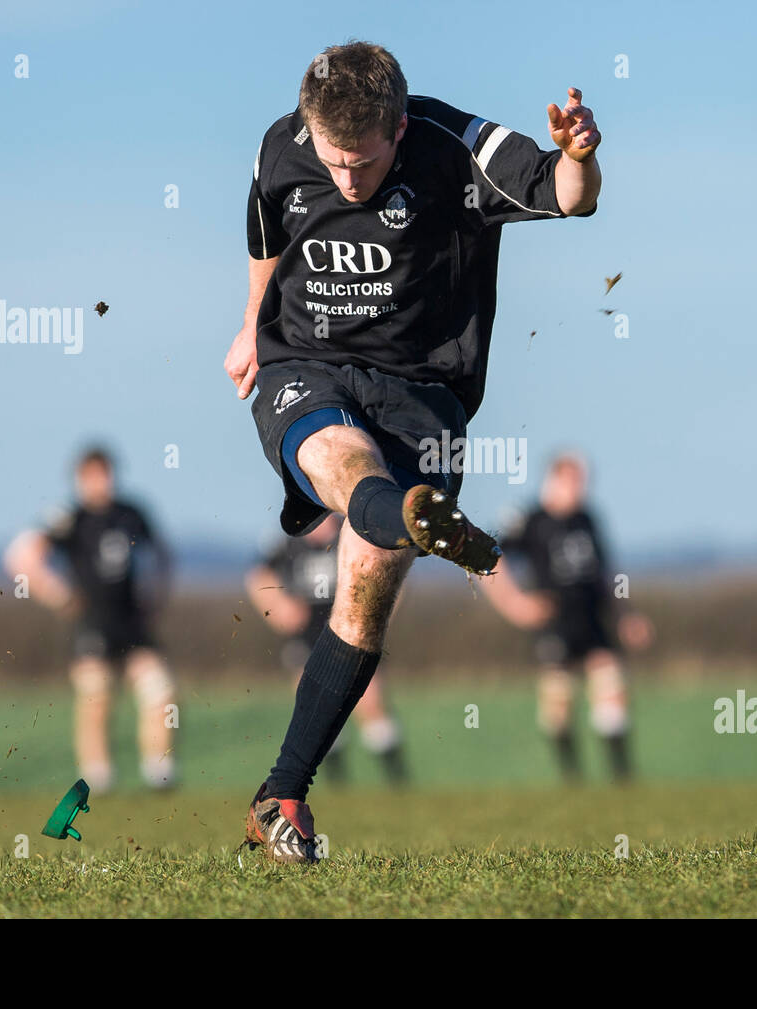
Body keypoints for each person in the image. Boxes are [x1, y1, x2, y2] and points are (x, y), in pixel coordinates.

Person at [224, 41, 602, 862]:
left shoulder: (459, 147)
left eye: (363, 163)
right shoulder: (278, 147)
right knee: (342, 460)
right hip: (305, 365)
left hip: (424, 394)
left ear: (399, 126)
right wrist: (252, 324)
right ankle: (402, 511)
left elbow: (570, 198)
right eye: (333, 161)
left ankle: (280, 791)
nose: (347, 180)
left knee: (362, 594)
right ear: (308, 130)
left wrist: (579, 154)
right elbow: (265, 229)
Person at [3, 446, 175, 791]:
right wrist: (55, 593)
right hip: (92, 623)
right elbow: (21, 555)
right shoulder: (69, 517)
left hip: (132, 622)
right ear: (80, 479)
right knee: (96, 696)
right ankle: (97, 778)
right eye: (95, 476)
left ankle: (161, 772)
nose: (103, 482)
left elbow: (162, 555)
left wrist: (156, 596)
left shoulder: (132, 513)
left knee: (161, 690)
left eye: (107, 474)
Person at [482, 452, 653, 782]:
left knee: (611, 684)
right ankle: (572, 779)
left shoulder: (588, 519)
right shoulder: (530, 520)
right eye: (575, 480)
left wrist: (627, 615)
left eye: (584, 481)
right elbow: (489, 557)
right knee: (558, 704)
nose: (581, 488)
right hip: (553, 620)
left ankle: (622, 777)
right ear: (554, 479)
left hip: (592, 615)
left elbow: (606, 574)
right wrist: (515, 603)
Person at [245, 514, 408, 785]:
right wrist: (278, 608)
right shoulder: (286, 542)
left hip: (353, 629)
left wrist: (379, 614)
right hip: (306, 634)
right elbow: (257, 577)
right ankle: (338, 785)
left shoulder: (354, 533)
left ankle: (397, 782)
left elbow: (392, 570)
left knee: (371, 699)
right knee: (314, 704)